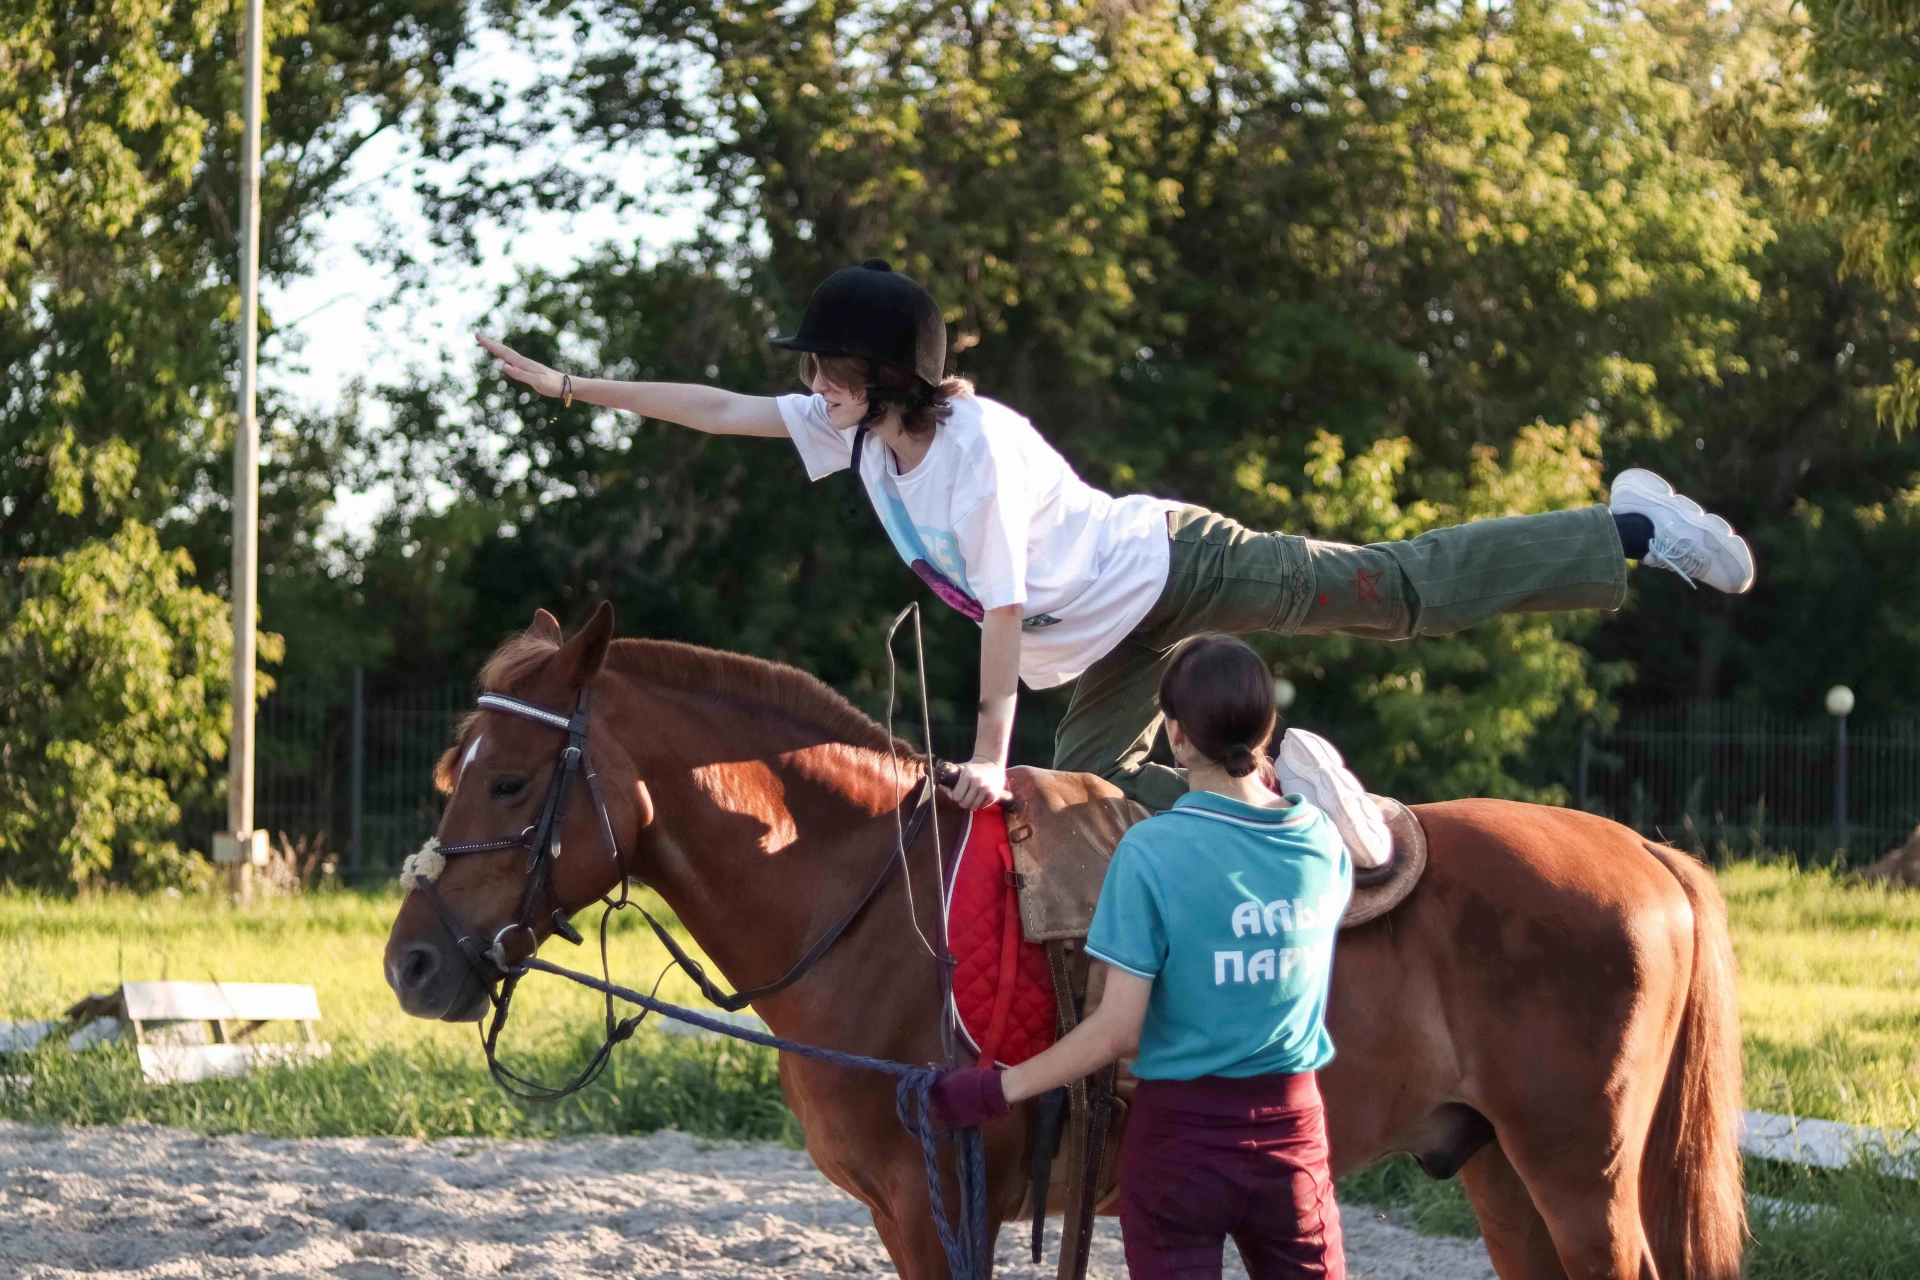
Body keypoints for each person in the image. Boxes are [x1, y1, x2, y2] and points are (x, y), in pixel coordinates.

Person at [475, 258, 1754, 851]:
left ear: (886, 376)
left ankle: (1631, 527)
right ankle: (1269, 787)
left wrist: (983, 754)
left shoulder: (972, 449)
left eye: (825, 367)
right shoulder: (856, 433)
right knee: (1074, 817)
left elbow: (1000, 617)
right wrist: (576, 385)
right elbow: (719, 407)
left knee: (1398, 595)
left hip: (1174, 568)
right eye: (810, 372)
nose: (806, 387)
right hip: (1096, 645)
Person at [929, 633, 1354, 1279]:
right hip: (1294, 1139)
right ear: (1266, 729)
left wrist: (992, 1090)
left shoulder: (1152, 851)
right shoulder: (1321, 838)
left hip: (1181, 1143)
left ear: (1176, 735)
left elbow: (1116, 1030)